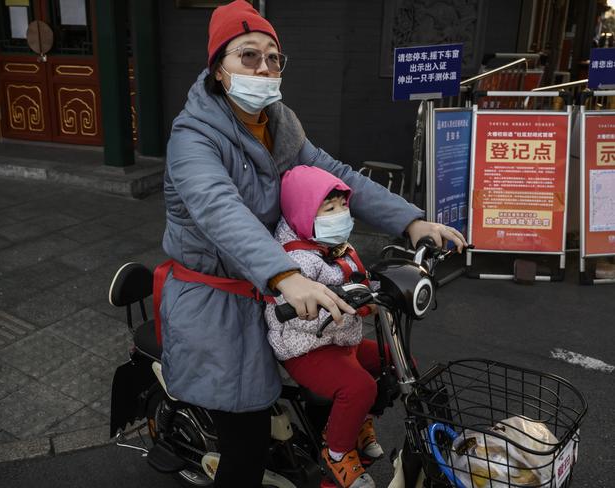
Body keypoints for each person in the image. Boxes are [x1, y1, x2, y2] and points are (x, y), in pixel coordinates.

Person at [158, 1, 467, 487]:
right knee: (246, 445)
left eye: (273, 57)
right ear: (219, 70)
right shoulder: (192, 137)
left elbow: (337, 177)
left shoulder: (281, 124)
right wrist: (285, 273)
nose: (264, 67)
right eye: (248, 56)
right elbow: (219, 208)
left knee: (366, 372)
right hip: (218, 299)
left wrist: (410, 222)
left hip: (283, 287)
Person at [265, 165, 388, 488]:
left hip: (341, 338)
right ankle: (337, 454)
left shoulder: (335, 246)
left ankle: (357, 422)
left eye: (343, 206)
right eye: (329, 208)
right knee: (360, 387)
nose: (341, 214)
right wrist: (352, 308)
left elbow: (359, 278)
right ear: (304, 213)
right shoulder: (295, 261)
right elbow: (296, 313)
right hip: (305, 347)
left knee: (392, 362)